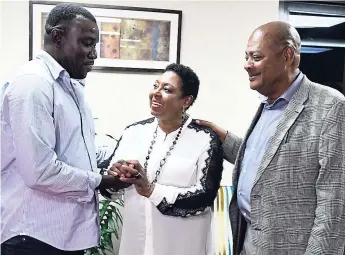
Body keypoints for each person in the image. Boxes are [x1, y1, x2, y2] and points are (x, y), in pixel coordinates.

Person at [196, 21, 345, 255]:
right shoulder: (268, 105)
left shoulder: (332, 107)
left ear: (287, 55)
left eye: (256, 57)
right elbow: (268, 162)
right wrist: (222, 136)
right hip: (250, 241)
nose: (247, 66)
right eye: (246, 57)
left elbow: (335, 205)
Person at [1, 3, 129, 254]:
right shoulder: (33, 85)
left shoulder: (69, 86)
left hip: (64, 233)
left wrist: (121, 157)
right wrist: (100, 181)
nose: (93, 53)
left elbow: (81, 149)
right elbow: (40, 171)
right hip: (34, 236)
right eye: (87, 43)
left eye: (95, 45)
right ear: (58, 36)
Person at [102, 63, 224, 255]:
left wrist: (151, 190)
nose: (156, 93)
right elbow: (108, 188)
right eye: (155, 85)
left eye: (166, 89)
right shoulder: (133, 132)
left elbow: (205, 196)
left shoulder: (205, 139)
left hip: (182, 246)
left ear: (186, 101)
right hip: (137, 244)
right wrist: (116, 179)